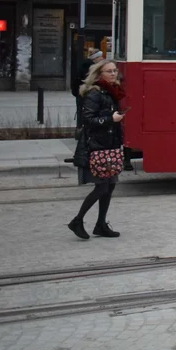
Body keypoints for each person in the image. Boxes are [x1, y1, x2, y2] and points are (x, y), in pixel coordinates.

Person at [68, 59, 126, 240]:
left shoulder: (111, 92)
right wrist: (111, 119)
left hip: (110, 145)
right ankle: (77, 221)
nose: (113, 74)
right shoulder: (95, 93)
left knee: (110, 186)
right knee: (102, 187)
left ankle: (101, 224)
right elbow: (88, 121)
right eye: (109, 71)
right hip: (97, 146)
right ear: (99, 74)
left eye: (115, 71)